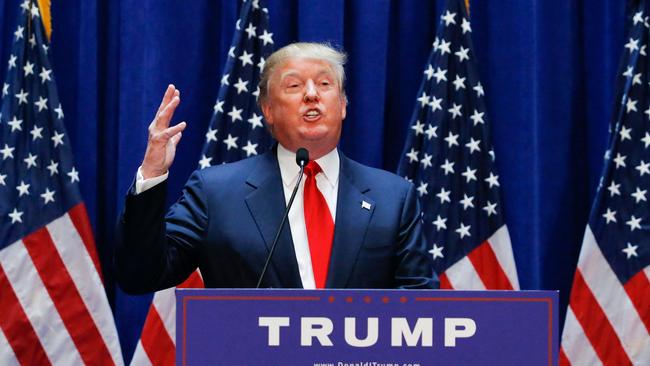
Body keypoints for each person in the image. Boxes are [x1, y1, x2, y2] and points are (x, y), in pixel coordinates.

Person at [115, 42, 437, 293]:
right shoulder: (215, 193)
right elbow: (139, 275)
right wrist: (152, 174)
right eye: (295, 86)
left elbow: (421, 309)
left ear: (343, 106)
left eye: (324, 84)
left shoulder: (393, 198)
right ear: (267, 110)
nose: (311, 95)